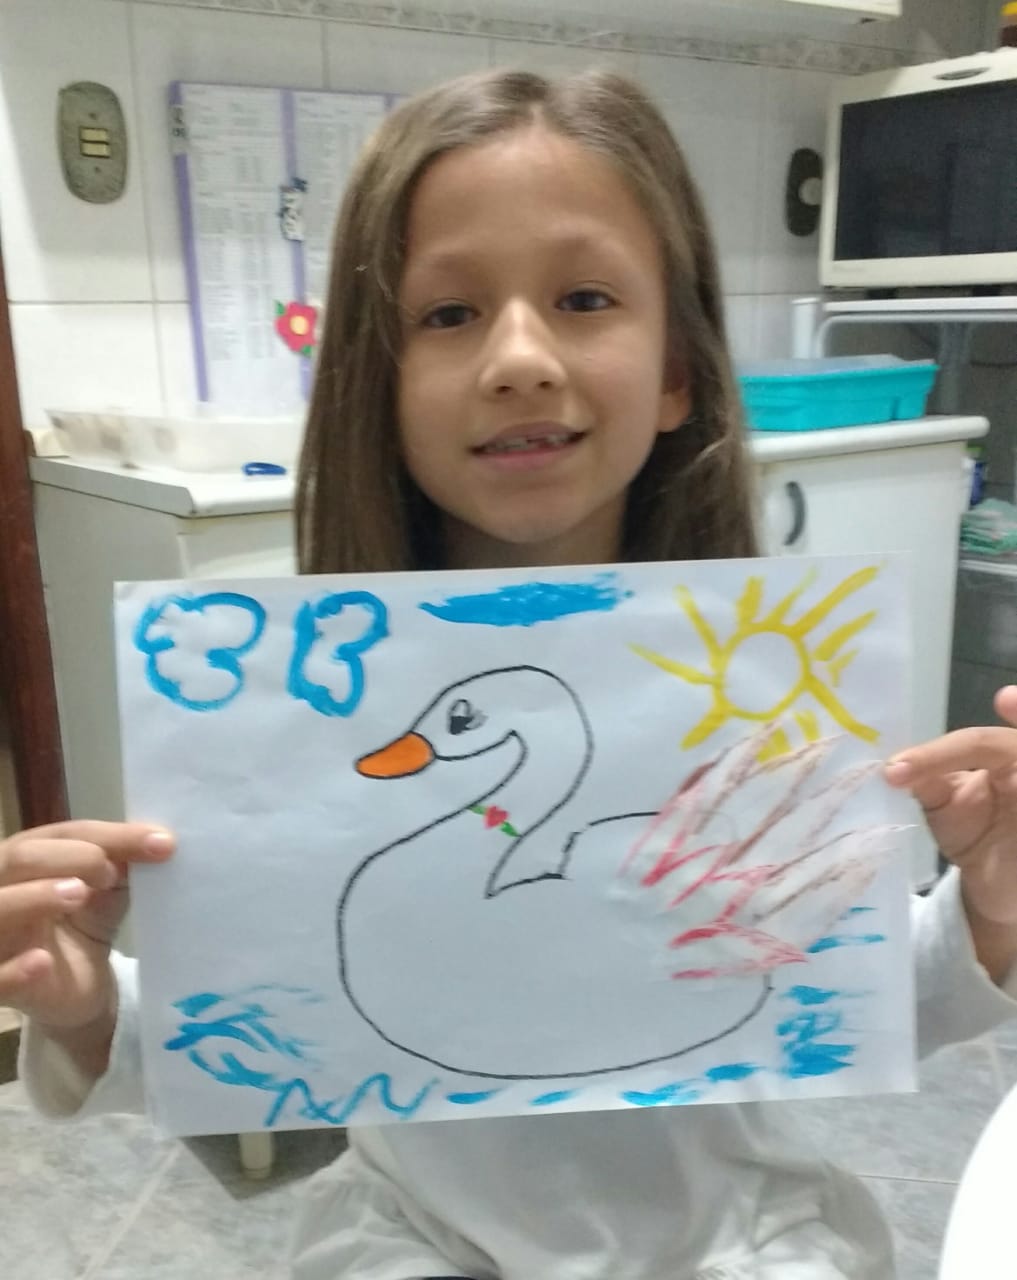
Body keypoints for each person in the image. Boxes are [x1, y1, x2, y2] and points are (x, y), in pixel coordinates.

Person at [4, 68, 1017, 1280]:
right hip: (412, 1243)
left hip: (737, 1244)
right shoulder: (290, 719)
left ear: (678, 370)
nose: (520, 357)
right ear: (376, 380)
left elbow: (857, 997)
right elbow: (246, 1027)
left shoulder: (754, 695)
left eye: (584, 297)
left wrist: (990, 907)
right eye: (448, 313)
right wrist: (87, 1005)